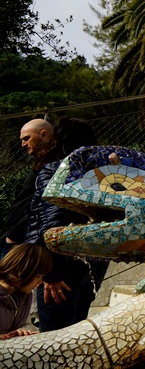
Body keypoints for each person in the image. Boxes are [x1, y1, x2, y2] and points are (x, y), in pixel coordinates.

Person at [25, 117, 109, 332]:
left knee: (54, 339)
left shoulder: (56, 170)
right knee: (76, 331)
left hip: (61, 270)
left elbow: (53, 222)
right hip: (92, 264)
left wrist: (51, 275)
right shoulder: (103, 174)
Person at [1, 119, 56, 259]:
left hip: (22, 240)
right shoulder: (41, 164)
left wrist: (13, 236)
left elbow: (39, 205)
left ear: (43, 134)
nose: (23, 144)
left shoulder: (52, 167)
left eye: (27, 138)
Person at [0, 243, 52, 339]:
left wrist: (23, 330)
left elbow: (26, 324)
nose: (40, 282)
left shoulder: (24, 296)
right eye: (38, 276)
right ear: (22, 270)